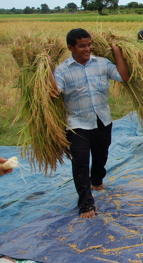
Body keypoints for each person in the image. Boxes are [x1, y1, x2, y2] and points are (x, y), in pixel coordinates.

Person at [50, 28, 129, 219]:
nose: (88, 49)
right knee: (80, 163)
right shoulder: (62, 70)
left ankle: (97, 179)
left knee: (101, 156)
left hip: (102, 120)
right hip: (77, 124)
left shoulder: (102, 63)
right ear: (71, 47)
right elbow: (54, 92)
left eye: (89, 44)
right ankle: (86, 204)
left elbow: (123, 76)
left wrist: (117, 52)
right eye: (82, 46)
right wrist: (45, 69)